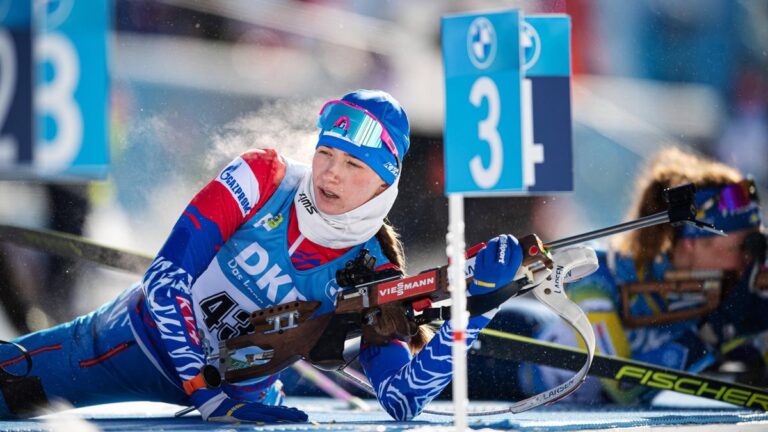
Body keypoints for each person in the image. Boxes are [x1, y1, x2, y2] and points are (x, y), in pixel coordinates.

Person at [0, 90, 524, 422]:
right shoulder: (262, 176)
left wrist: (479, 309)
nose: (331, 174)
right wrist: (208, 395)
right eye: (325, 154)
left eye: (354, 165)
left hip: (237, 400)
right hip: (128, 345)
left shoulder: (374, 269)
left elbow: (402, 399)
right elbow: (164, 280)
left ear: (387, 183)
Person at [482, 147, 767, 404]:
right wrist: (714, 334)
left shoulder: (728, 291)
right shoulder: (601, 273)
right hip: (503, 358)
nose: (748, 260)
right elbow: (622, 386)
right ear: (693, 243)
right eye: (741, 247)